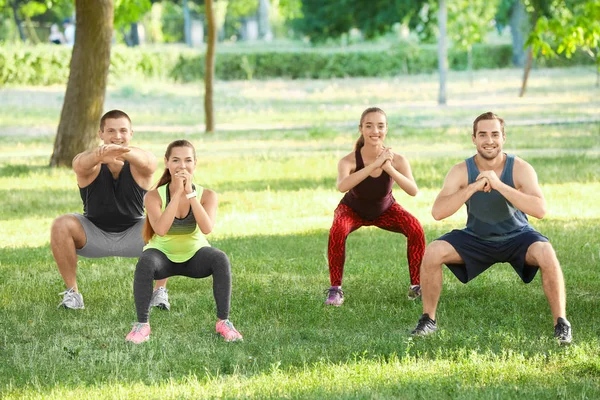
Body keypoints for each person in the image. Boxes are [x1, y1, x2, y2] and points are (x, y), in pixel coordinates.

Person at [410, 111, 572, 344]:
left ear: (503, 137)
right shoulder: (461, 171)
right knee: (434, 251)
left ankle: (561, 323)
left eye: (495, 134)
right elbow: (438, 212)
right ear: (474, 139)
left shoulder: (520, 168)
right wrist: (473, 187)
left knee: (546, 252)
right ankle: (428, 320)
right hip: (477, 237)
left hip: (518, 236)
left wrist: (498, 185)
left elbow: (540, 210)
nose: (489, 140)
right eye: (483, 134)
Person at [51, 110, 171, 310]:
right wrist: (101, 154)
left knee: (168, 220)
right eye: (111, 131)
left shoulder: (138, 165)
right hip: (93, 234)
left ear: (131, 133)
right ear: (101, 134)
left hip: (135, 234)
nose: (117, 136)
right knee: (61, 224)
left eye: (123, 130)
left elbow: (150, 162)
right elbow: (78, 164)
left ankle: (159, 293)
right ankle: (73, 295)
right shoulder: (92, 164)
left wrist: (120, 151)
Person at [125, 140, 243, 344]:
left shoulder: (208, 195)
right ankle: (142, 325)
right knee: (145, 261)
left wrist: (190, 194)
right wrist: (177, 193)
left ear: (195, 163)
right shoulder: (154, 196)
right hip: (162, 257)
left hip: (194, 256)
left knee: (220, 258)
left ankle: (223, 322)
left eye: (188, 160)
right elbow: (160, 230)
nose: (182, 166)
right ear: (167, 163)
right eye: (176, 160)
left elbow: (207, 228)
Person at [324, 107, 426, 306]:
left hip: (385, 210)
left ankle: (416, 285)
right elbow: (342, 186)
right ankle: (335, 290)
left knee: (415, 228)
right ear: (361, 129)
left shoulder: (397, 160)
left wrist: (388, 167)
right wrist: (373, 165)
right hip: (352, 210)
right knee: (337, 230)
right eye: (369, 126)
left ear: (386, 129)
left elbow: (413, 190)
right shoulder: (349, 160)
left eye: (380, 126)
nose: (375, 131)